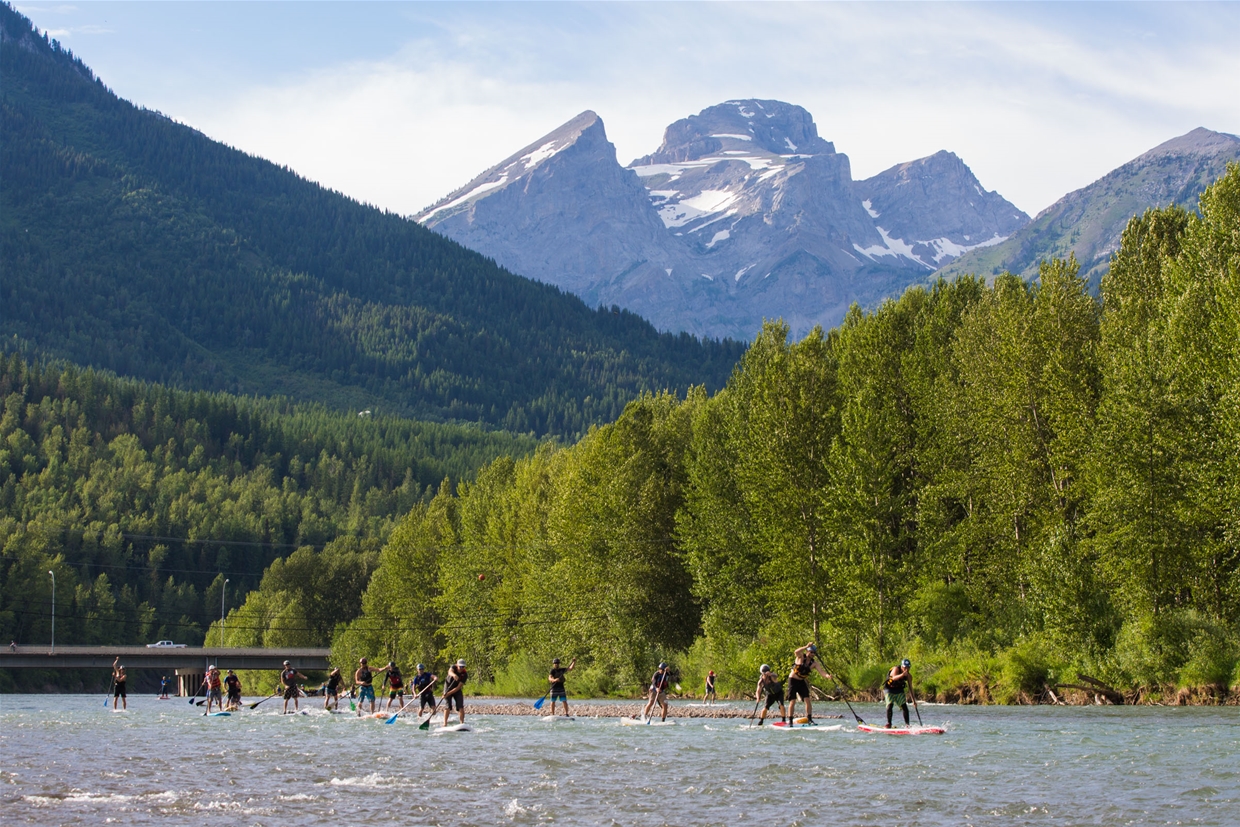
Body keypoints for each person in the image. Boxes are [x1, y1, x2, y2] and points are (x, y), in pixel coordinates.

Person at [787, 643, 832, 724]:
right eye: (811, 652)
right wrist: (806, 646)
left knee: (807, 699)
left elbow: (821, 672)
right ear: (807, 651)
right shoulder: (800, 656)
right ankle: (790, 720)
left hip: (801, 681)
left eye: (814, 653)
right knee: (792, 701)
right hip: (793, 680)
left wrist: (828, 676)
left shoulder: (814, 663)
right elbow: (796, 651)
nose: (812, 654)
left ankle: (809, 719)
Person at [884, 658, 912, 728]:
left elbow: (911, 688)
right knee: (890, 705)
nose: (907, 669)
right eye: (905, 667)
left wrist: (914, 701)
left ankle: (907, 725)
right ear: (902, 667)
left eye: (908, 667)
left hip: (899, 690)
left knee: (904, 707)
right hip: (889, 689)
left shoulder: (909, 676)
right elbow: (893, 678)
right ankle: (889, 723)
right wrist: (902, 675)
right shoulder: (896, 669)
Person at [442, 658, 468, 727]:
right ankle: (445, 723)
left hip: (456, 690)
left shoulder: (465, 674)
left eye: (463, 667)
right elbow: (449, 672)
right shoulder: (453, 667)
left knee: (460, 707)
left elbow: (458, 687)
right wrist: (454, 675)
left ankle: (462, 723)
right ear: (457, 665)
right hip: (447, 687)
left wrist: (448, 694)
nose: (461, 668)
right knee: (448, 706)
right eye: (460, 666)